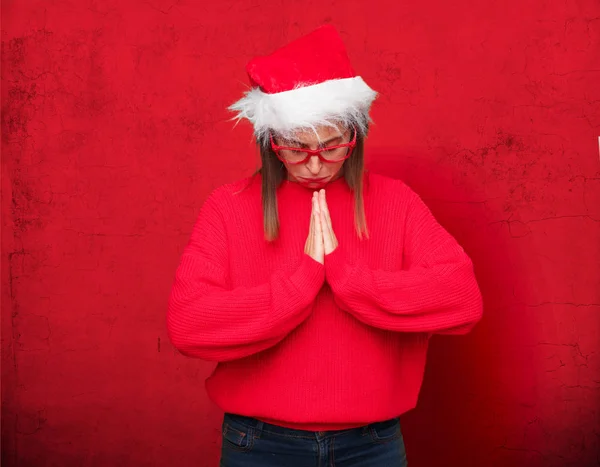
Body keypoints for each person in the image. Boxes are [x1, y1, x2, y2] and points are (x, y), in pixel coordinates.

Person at [167, 25, 483, 467]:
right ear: (269, 143)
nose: (315, 164)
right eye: (296, 149)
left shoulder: (396, 201)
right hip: (259, 444)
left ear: (355, 138)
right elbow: (188, 324)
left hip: (372, 444)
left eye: (333, 147)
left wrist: (347, 279)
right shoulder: (227, 207)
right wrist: (301, 284)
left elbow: (462, 299)